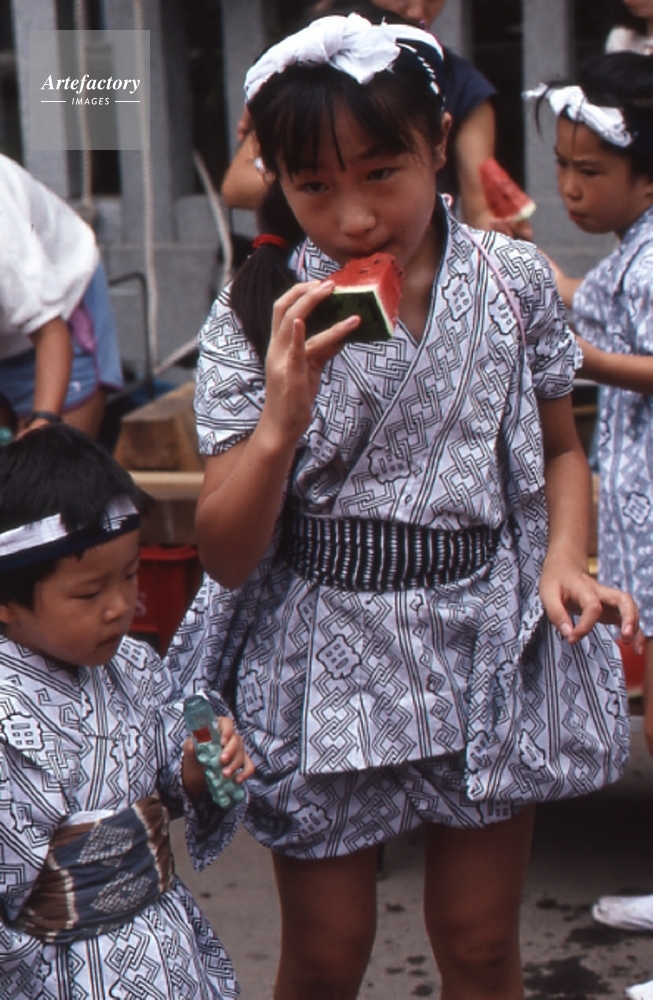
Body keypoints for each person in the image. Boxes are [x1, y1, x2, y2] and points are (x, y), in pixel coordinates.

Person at [180, 15, 640, 1000]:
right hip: (319, 660)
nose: (353, 219)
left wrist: (564, 558)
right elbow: (223, 554)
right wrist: (278, 425)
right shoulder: (255, 313)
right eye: (313, 186)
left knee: (478, 947)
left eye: (380, 172)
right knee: (325, 955)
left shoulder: (514, 283)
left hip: (480, 645)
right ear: (278, 180)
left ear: (436, 141)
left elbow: (562, 451)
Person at [0, 424, 254, 999]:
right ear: (7, 601)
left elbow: (165, 774)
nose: (119, 606)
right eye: (89, 593)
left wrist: (198, 766)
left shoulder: (132, 664)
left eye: (131, 575)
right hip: (56, 972)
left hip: (165, 945)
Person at [527, 51, 653, 1000]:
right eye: (562, 167)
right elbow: (602, 307)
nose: (569, 188)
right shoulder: (632, 249)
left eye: (590, 171)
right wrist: (545, 278)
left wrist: (581, 360)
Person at [220, 0, 518, 235]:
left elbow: (480, 208)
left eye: (379, 172)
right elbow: (236, 184)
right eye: (315, 184)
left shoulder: (464, 86)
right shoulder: (309, 68)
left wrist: (503, 239)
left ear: (441, 137)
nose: (417, 10)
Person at [0, 153, 123, 438]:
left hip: (58, 315)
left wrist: (42, 423)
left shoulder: (6, 244)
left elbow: (51, 334)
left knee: (51, 457)